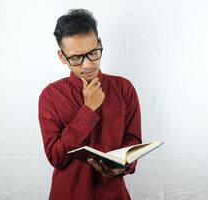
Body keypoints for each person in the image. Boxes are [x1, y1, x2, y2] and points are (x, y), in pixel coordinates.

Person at [38, 8, 142, 200]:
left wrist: (122, 167)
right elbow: (56, 157)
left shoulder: (124, 88)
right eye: (76, 58)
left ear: (100, 43)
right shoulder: (50, 96)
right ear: (62, 57)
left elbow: (133, 143)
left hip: (114, 194)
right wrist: (88, 110)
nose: (88, 65)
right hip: (68, 194)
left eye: (93, 52)